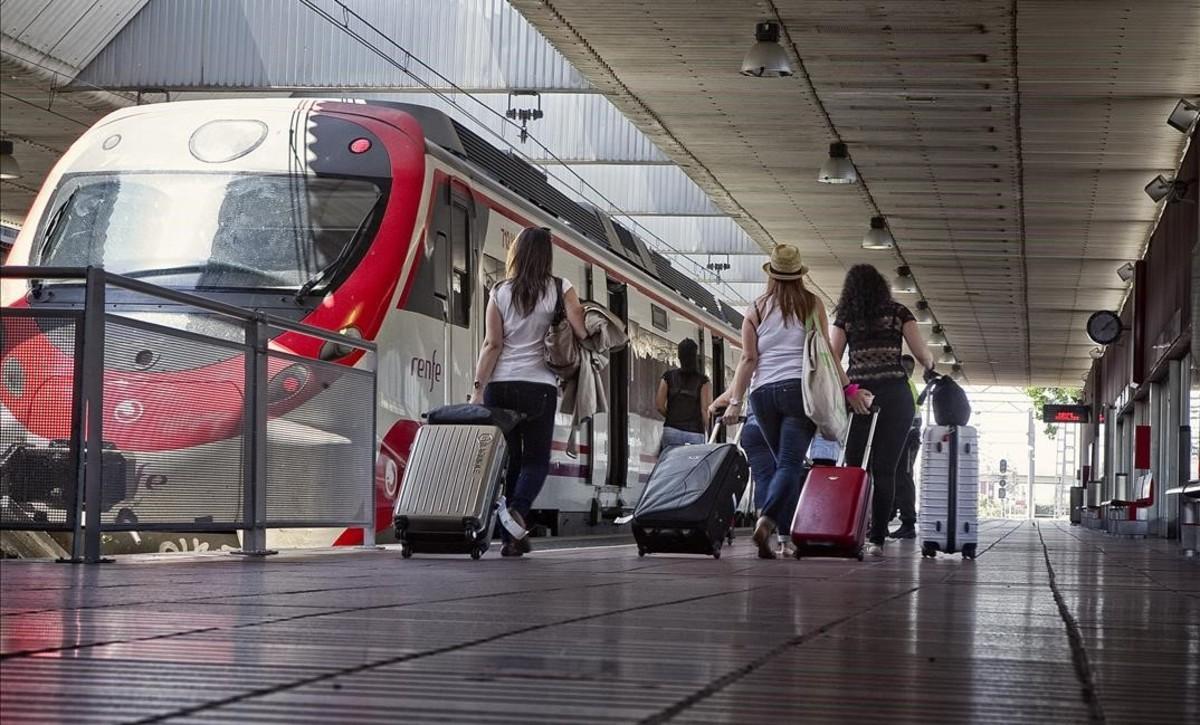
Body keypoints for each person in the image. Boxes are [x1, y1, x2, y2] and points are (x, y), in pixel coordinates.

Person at [722, 245, 872, 559]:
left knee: (782, 466)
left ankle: (783, 537)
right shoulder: (811, 303)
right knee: (789, 464)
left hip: (762, 395)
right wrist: (850, 391)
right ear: (799, 274)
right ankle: (768, 521)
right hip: (797, 392)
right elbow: (829, 354)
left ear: (772, 275)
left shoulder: (756, 309)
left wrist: (736, 401)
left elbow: (748, 359)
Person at [470, 227, 587, 557]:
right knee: (535, 461)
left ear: (517, 254)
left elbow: (492, 344)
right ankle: (518, 513)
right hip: (539, 386)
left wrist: (478, 390)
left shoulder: (499, 291)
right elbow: (581, 332)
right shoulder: (562, 289)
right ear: (547, 256)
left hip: (500, 387)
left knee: (511, 462)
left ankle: (511, 539)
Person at [830, 265, 935, 556]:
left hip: (859, 397)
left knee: (856, 466)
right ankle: (877, 539)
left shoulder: (846, 318)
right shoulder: (900, 313)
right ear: (881, 286)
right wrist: (931, 362)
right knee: (886, 469)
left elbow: (833, 358)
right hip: (896, 396)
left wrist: (848, 390)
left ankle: (850, 529)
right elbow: (921, 353)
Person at [657, 339, 713, 455]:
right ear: (695, 356)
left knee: (670, 466)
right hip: (695, 432)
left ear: (679, 356)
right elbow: (704, 410)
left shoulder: (667, 377)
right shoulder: (703, 381)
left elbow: (659, 405)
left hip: (672, 429)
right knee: (693, 468)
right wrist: (711, 434)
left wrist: (673, 417)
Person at [889, 354, 922, 539]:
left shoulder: (905, 387)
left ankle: (908, 522)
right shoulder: (909, 386)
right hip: (907, 435)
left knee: (903, 476)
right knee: (895, 475)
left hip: (907, 437)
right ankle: (890, 516)